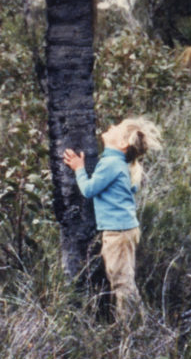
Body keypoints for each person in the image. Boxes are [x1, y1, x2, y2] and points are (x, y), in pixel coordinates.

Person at [63, 117, 161, 322]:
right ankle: (132, 325)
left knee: (122, 283)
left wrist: (79, 168)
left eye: (117, 128)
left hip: (118, 233)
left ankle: (134, 328)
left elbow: (89, 190)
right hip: (121, 230)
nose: (111, 126)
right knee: (120, 279)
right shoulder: (115, 163)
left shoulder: (110, 163)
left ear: (123, 144)